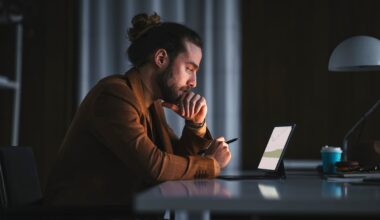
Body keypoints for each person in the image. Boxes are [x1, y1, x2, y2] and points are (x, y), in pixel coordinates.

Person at [44, 12, 232, 207]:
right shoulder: (114, 96)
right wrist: (212, 164)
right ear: (161, 58)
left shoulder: (151, 103)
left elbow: (172, 161)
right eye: (189, 69)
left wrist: (195, 124)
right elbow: (155, 167)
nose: (193, 82)